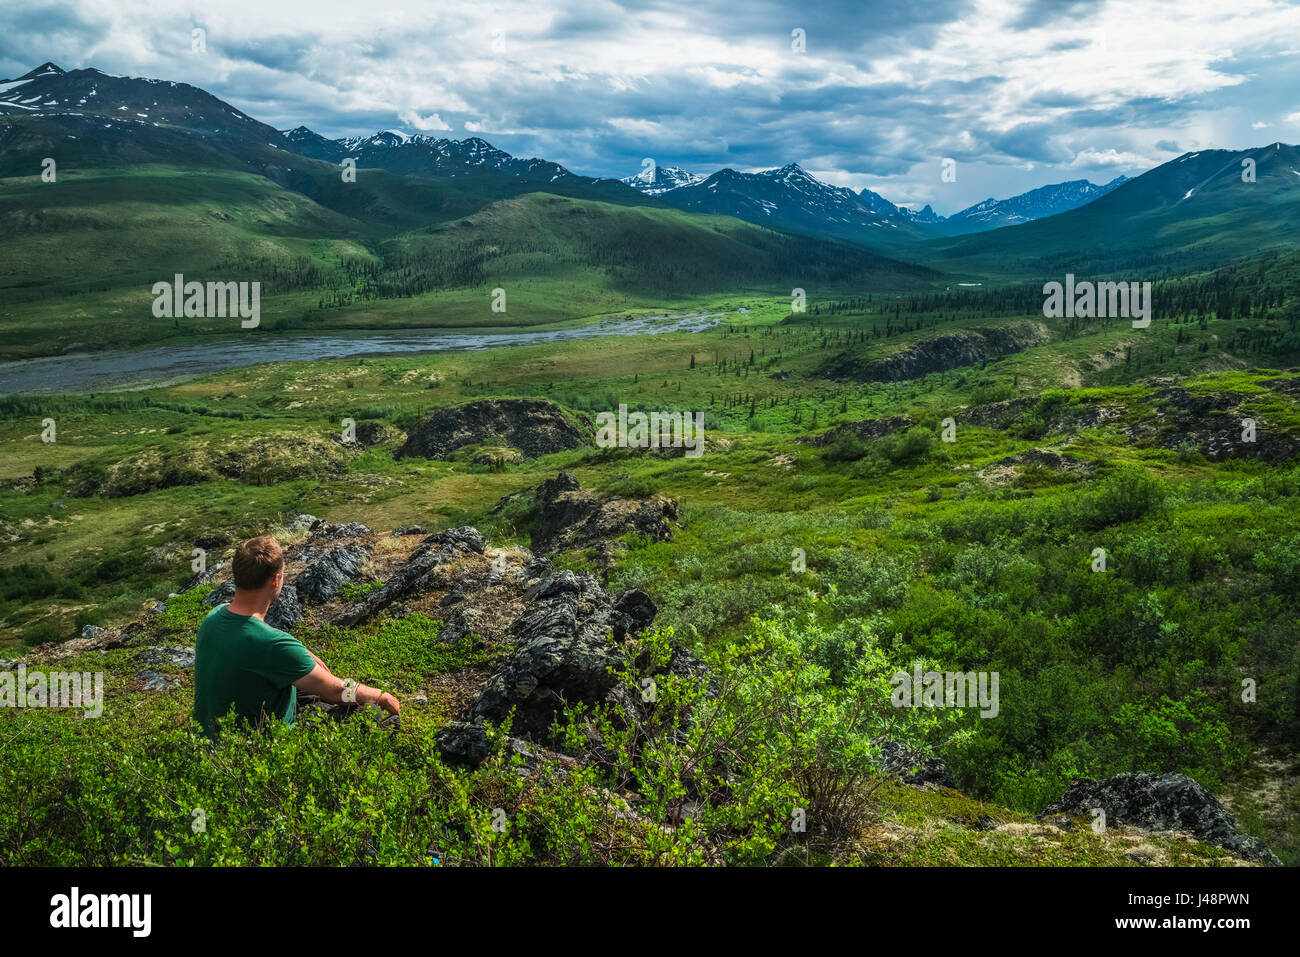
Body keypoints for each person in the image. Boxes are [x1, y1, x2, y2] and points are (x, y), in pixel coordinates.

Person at [192, 535, 399, 736]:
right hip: (257, 751)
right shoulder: (274, 646)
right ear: (276, 579)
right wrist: (380, 696)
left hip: (208, 741)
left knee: (302, 685)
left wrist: (301, 652)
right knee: (371, 712)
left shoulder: (214, 616)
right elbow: (336, 691)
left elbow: (253, 643)